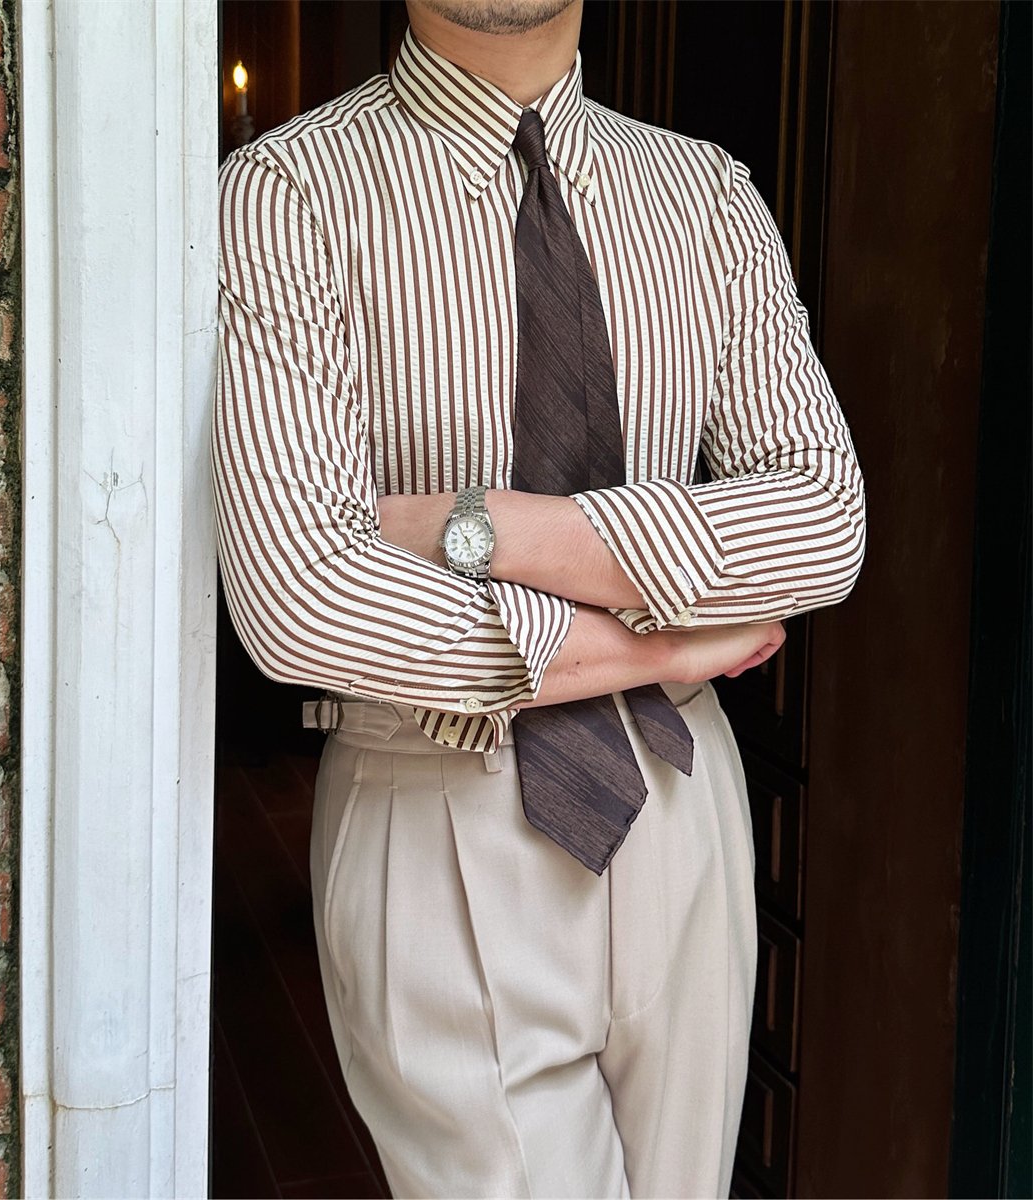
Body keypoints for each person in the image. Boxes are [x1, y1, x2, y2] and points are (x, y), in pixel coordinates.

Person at [211, 0, 865, 1195]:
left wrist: (495, 529)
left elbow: (824, 517)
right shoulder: (285, 192)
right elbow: (298, 597)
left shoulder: (707, 196)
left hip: (682, 806)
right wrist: (662, 641)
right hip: (438, 793)